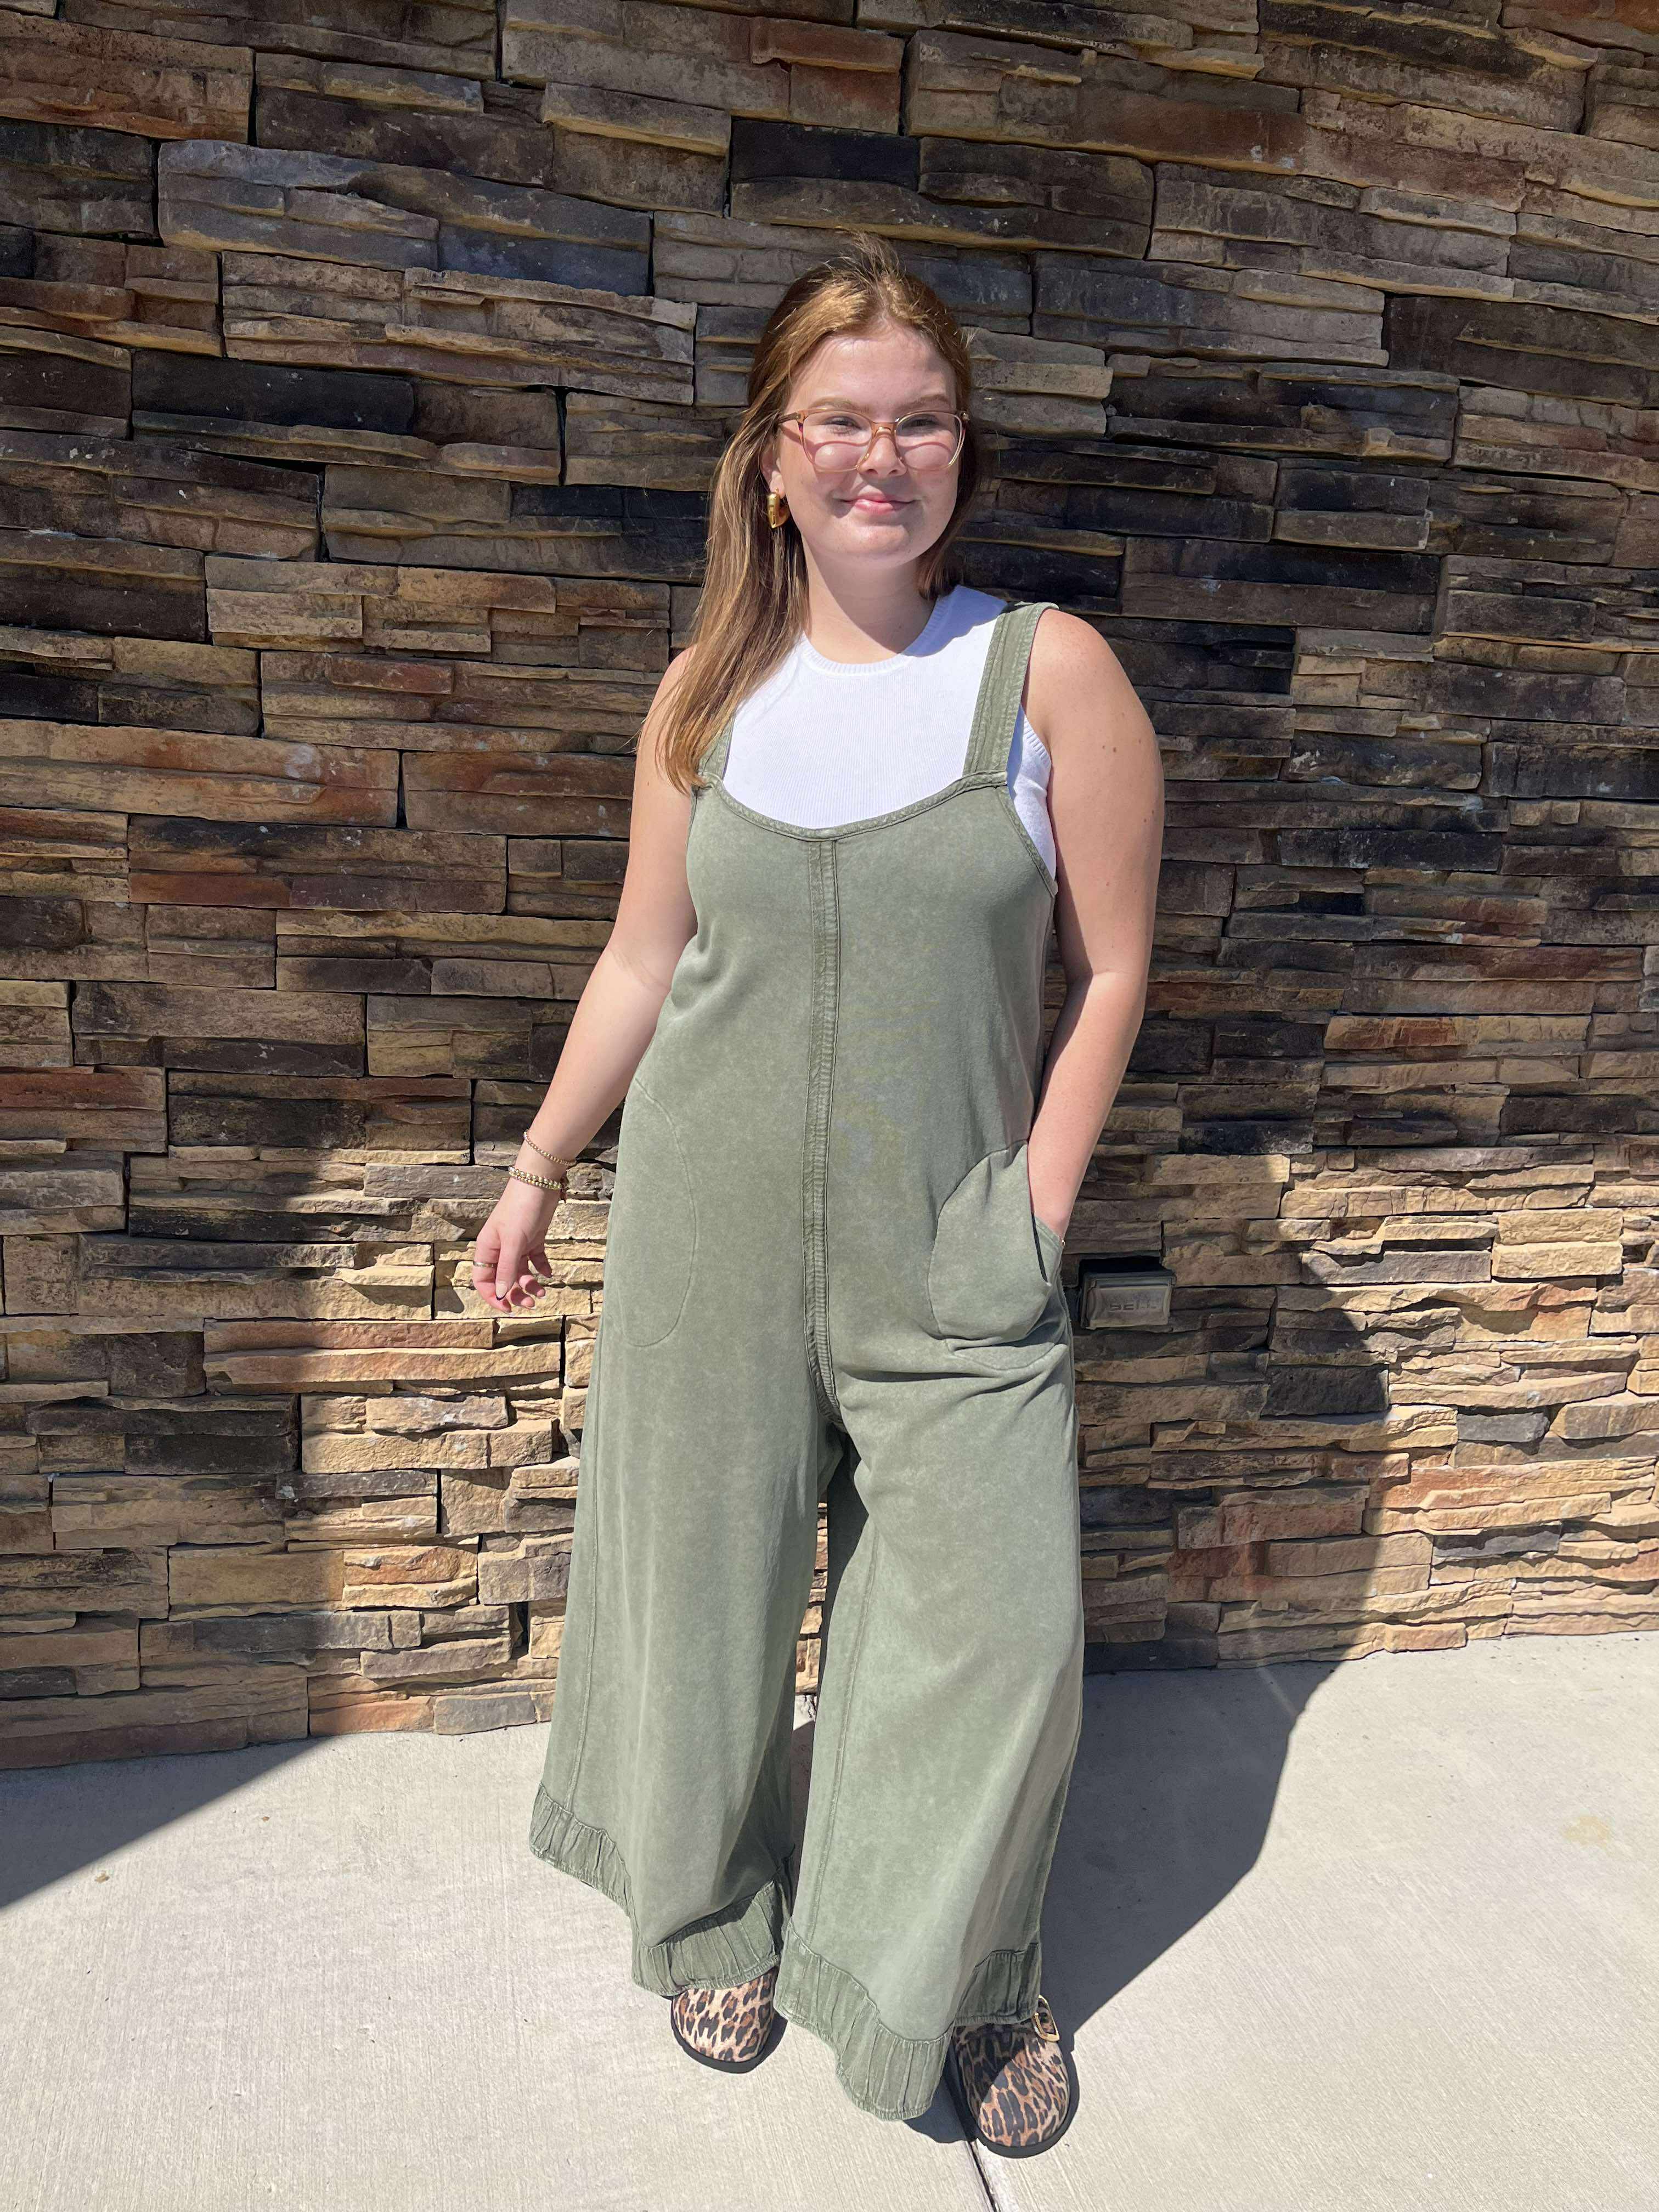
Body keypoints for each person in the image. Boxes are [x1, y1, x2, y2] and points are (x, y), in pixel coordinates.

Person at [469, 229, 1163, 2158]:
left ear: (962, 450)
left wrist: (1033, 1206)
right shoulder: (706, 695)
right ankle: (711, 1915)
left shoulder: (1047, 674)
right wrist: (538, 1169)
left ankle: (960, 1968)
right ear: (775, 455)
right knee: (696, 1604)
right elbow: (642, 960)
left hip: (953, 1248)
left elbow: (1114, 970)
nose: (884, 457)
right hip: (707, 1234)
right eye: (843, 421)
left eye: (922, 422)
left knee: (995, 1634)